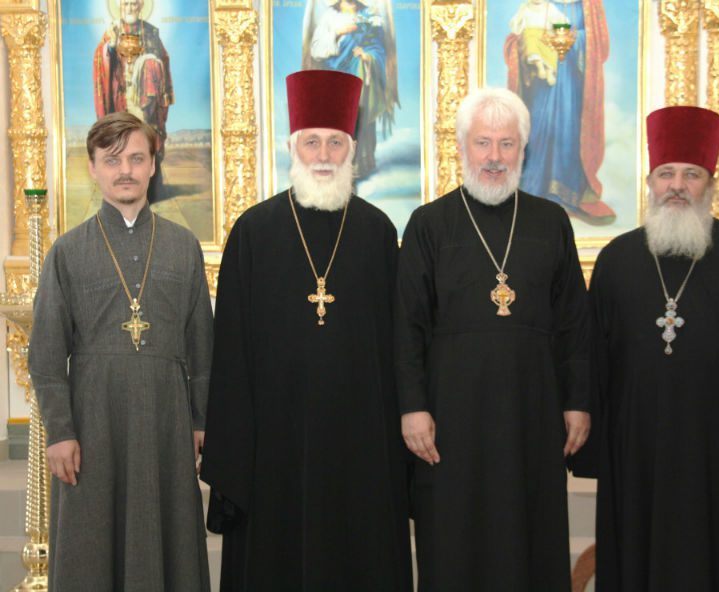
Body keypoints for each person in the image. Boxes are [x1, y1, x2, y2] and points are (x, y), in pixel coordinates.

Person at [200, 69, 412, 591]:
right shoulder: (253, 232)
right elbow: (231, 352)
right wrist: (234, 451)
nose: (323, 154)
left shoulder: (378, 233)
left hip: (360, 440)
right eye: (312, 141)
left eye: (335, 142)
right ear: (292, 147)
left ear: (352, 150)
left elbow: (399, 345)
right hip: (273, 443)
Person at [584, 105, 719, 590]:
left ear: (710, 184)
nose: (677, 186)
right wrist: (593, 448)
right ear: (650, 182)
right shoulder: (616, 261)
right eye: (666, 173)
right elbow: (594, 361)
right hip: (638, 449)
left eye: (691, 174)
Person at [395, 87, 591, 590]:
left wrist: (577, 401)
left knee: (530, 535)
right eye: (483, 142)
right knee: (455, 539)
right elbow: (407, 324)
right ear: (463, 147)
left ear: (523, 149)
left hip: (533, 412)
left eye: (507, 144)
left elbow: (574, 321)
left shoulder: (551, 222)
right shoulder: (429, 224)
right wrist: (413, 407)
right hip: (451, 419)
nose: (494, 157)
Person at [28, 112, 213, 591]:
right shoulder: (67, 252)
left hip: (166, 421)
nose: (125, 170)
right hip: (94, 424)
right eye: (112, 161)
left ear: (153, 164)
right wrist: (60, 432)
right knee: (92, 544)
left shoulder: (183, 247)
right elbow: (46, 354)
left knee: (167, 535)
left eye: (135, 158)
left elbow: (202, 346)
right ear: (93, 167)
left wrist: (201, 420)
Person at [505, 0, 614, 225]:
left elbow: (599, 44)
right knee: (538, 132)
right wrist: (530, 42)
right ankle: (532, 194)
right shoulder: (538, 4)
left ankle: (567, 197)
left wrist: (570, 40)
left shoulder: (588, 5)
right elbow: (516, 38)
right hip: (541, 86)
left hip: (573, 84)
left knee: (568, 133)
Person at [303, 0, 398, 178]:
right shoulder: (330, 16)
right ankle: (338, 163)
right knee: (340, 120)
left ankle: (361, 162)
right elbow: (316, 49)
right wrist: (338, 33)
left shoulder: (369, 16)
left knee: (360, 115)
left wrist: (367, 56)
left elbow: (378, 49)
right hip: (336, 79)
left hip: (362, 75)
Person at [94, 0, 174, 202]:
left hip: (145, 100)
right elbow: (101, 60)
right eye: (126, 4)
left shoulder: (151, 33)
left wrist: (148, 65)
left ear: (140, 6)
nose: (130, 8)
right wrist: (110, 48)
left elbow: (163, 61)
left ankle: (150, 190)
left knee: (146, 141)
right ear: (120, 6)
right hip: (120, 96)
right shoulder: (112, 31)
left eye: (133, 4)